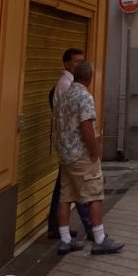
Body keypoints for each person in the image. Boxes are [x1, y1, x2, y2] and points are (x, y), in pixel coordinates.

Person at [52, 61, 123, 256]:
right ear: (90, 78)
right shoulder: (84, 96)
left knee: (65, 197)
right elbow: (86, 127)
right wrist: (94, 153)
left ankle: (65, 239)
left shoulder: (65, 95)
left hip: (65, 154)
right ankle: (100, 238)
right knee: (94, 194)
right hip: (81, 155)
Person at [47, 48, 92, 240]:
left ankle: (57, 227)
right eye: (76, 61)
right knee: (80, 188)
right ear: (66, 63)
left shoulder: (69, 84)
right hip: (72, 147)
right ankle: (92, 230)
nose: (80, 64)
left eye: (82, 61)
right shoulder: (67, 86)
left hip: (67, 146)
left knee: (65, 189)